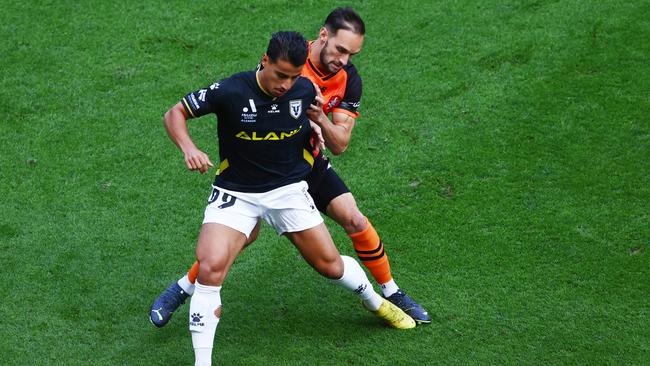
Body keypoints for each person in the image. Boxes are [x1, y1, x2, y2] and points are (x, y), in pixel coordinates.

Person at [150, 7, 430, 329]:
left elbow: (339, 144)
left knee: (352, 218)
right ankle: (183, 288)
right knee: (242, 236)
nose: (344, 60)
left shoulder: (348, 80)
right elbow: (255, 105)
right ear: (323, 36)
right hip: (264, 167)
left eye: (352, 54)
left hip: (307, 165)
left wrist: (319, 121)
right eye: (340, 50)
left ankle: (390, 292)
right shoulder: (285, 63)